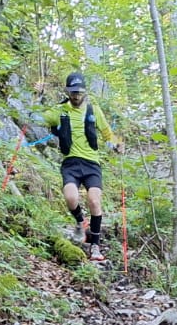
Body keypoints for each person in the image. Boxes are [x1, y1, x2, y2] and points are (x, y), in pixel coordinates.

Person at [30, 71, 121, 262]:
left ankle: (95, 246)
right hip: (70, 163)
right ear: (67, 92)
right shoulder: (59, 110)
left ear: (84, 92)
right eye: (73, 92)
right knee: (71, 197)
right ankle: (80, 222)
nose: (76, 96)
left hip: (91, 163)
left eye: (79, 92)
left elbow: (107, 134)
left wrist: (116, 144)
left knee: (94, 201)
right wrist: (36, 97)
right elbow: (35, 119)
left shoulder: (94, 110)